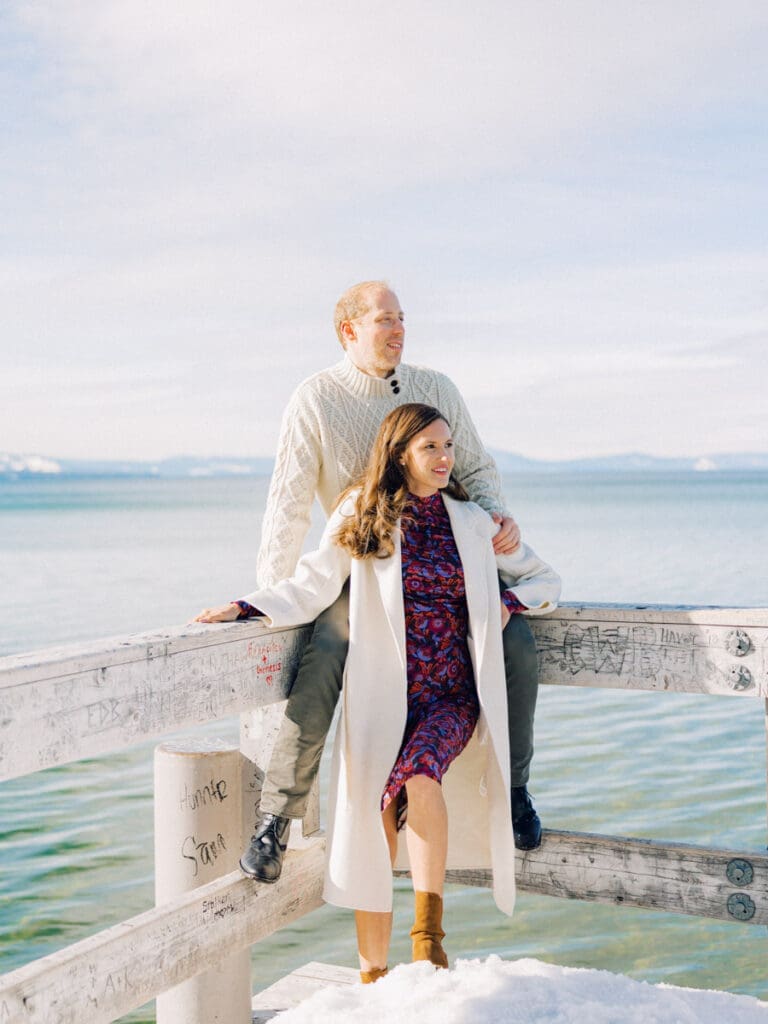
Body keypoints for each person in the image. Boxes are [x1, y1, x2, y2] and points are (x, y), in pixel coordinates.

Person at [195, 403, 560, 979]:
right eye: (430, 449)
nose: (444, 458)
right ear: (399, 454)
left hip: (452, 692)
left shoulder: (472, 520)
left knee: (420, 775)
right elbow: (314, 583)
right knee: (376, 812)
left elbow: (545, 578)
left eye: (448, 447)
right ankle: (371, 974)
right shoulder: (362, 512)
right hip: (386, 692)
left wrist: (508, 604)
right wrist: (249, 607)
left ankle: (428, 942)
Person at [236, 280, 544, 886]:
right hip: (360, 569)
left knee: (517, 642)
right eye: (384, 320)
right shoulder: (315, 399)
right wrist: (274, 599)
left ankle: (516, 789)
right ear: (349, 330)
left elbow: (476, 468)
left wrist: (496, 529)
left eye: (402, 318)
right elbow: (289, 507)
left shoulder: (437, 389)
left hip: (442, 564)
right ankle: (276, 818)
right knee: (326, 649)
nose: (398, 330)